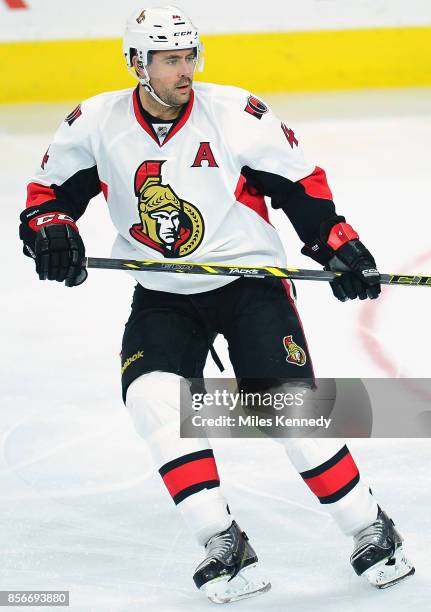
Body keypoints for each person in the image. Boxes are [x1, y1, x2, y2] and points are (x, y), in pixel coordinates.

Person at [19, 5, 414, 604]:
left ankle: (369, 527)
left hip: (248, 283)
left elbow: (300, 187)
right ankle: (221, 540)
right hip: (163, 292)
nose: (186, 70)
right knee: (154, 402)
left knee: (288, 410)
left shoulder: (235, 113)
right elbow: (48, 195)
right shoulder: (95, 123)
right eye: (170, 60)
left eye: (189, 56)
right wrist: (50, 228)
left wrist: (337, 244)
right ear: (137, 64)